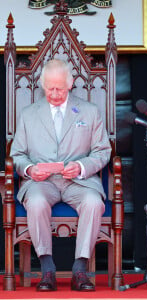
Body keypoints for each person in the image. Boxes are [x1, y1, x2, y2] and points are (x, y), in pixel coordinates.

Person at [10, 59, 111, 291]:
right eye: (49, 88)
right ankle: (47, 270)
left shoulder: (90, 111)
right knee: (35, 202)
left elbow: (103, 151)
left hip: (79, 180)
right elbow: (16, 155)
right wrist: (29, 169)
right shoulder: (28, 114)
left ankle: (80, 270)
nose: (54, 93)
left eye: (59, 88)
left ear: (71, 84)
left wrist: (82, 166)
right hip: (41, 182)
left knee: (94, 203)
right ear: (42, 85)